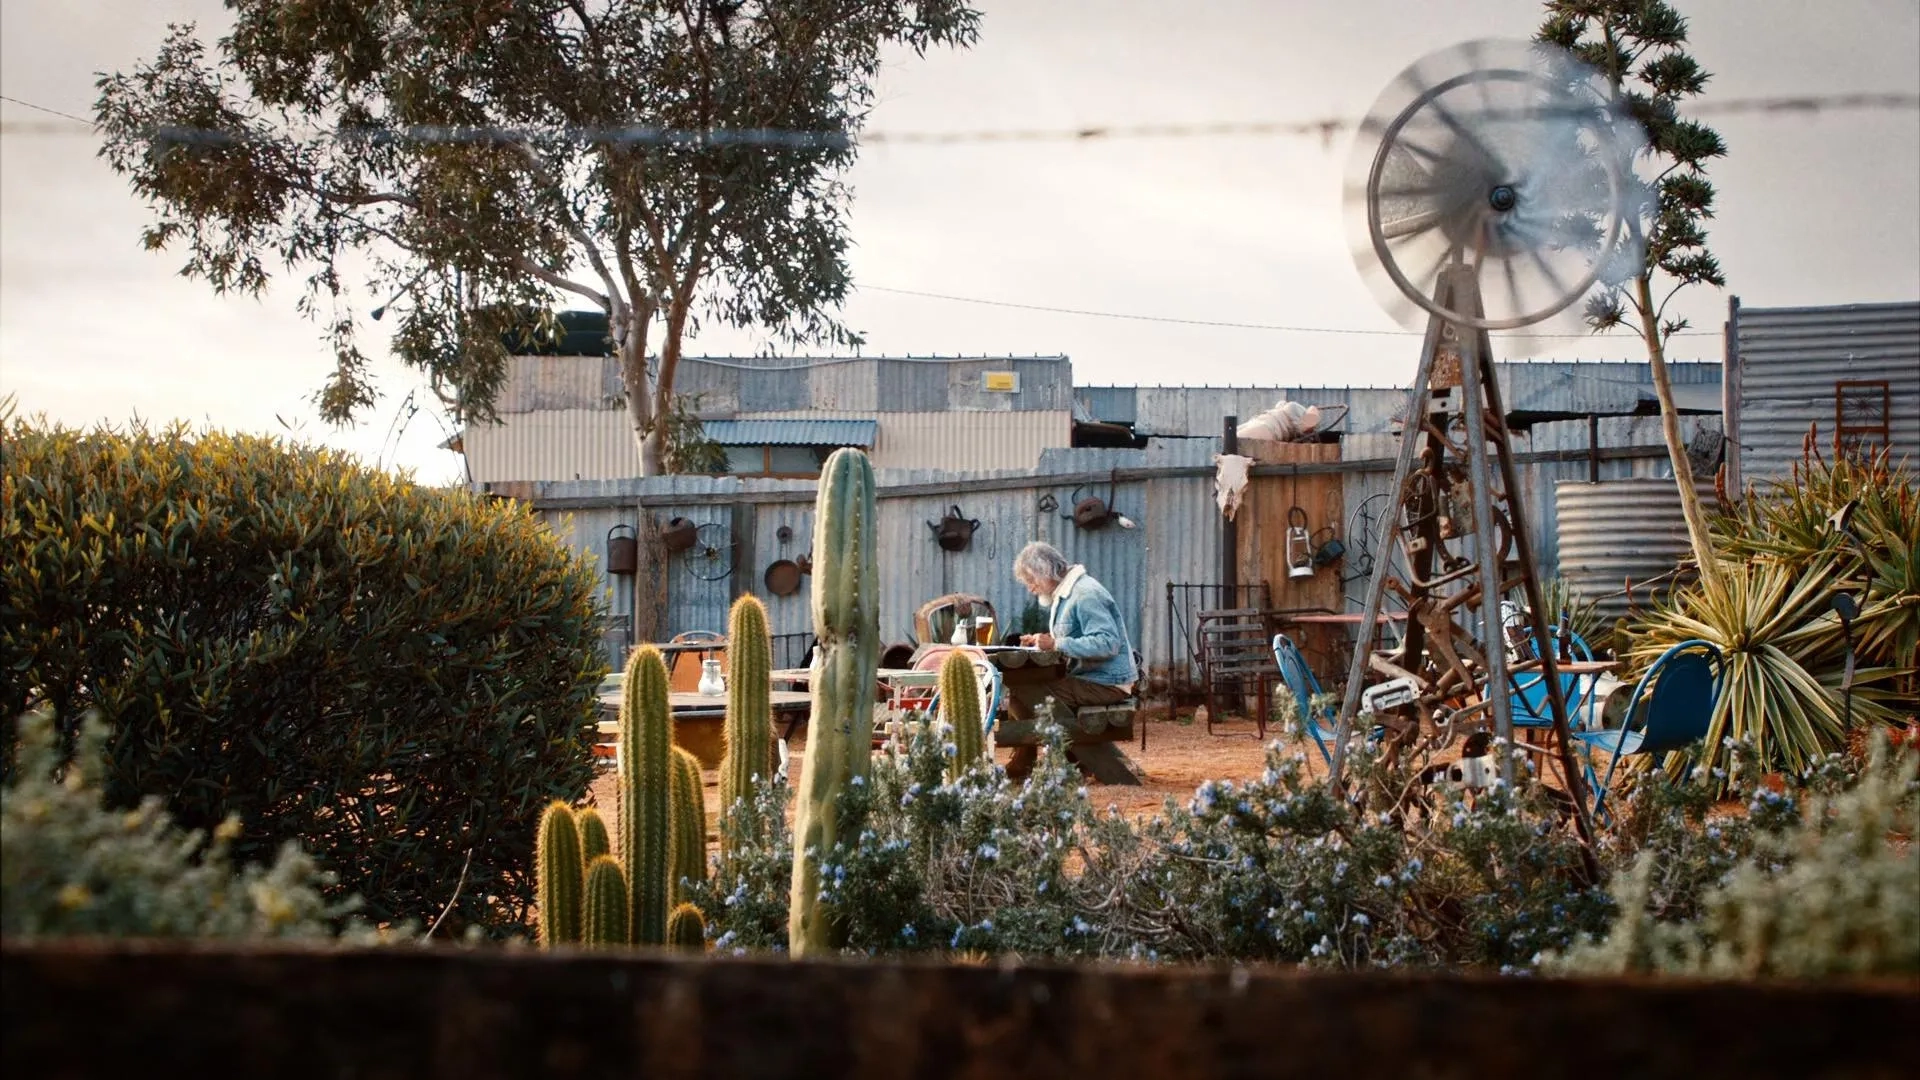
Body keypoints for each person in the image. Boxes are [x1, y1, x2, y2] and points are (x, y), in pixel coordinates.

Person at [1004, 542, 1137, 776]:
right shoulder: (1069, 592)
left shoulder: (1085, 594)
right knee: (1023, 691)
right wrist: (1040, 640)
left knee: (1024, 695)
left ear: (1045, 572)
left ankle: (1034, 758)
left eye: (1031, 581)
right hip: (1092, 678)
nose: (1031, 589)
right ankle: (1058, 755)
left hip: (1106, 683)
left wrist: (1056, 644)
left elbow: (1108, 643)